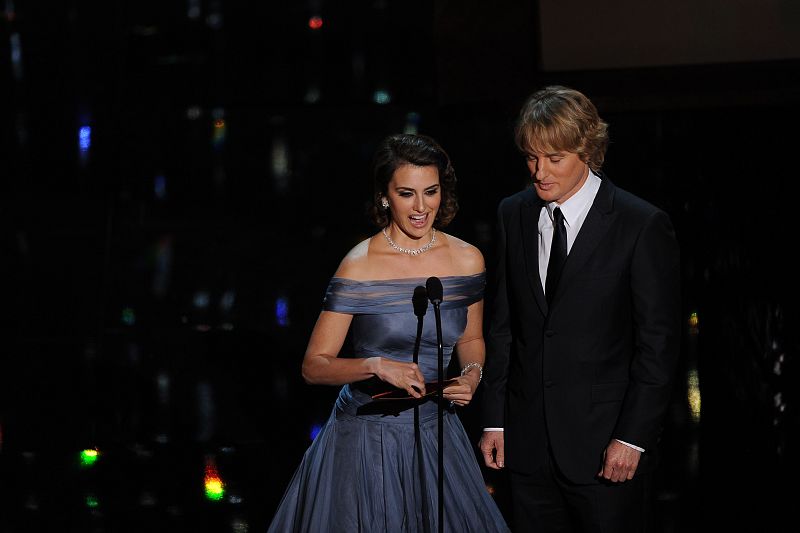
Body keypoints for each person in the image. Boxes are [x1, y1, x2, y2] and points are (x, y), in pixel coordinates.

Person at [268, 133, 509, 532]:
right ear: (384, 197)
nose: (420, 207)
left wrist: (472, 375)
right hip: (365, 439)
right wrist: (376, 365)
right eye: (406, 194)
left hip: (438, 437)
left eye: (430, 192)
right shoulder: (358, 265)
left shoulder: (467, 259)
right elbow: (314, 367)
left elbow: (470, 340)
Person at [479, 85, 681, 532]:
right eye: (531, 157)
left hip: (606, 449)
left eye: (554, 158)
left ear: (587, 150)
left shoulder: (640, 223)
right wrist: (496, 421)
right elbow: (503, 327)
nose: (539, 172)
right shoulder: (513, 213)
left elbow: (658, 345)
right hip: (528, 448)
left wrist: (632, 437)